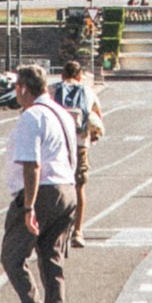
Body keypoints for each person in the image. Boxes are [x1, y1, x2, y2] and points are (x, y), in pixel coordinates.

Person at [1, 62, 78, 303]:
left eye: (16, 88)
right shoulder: (62, 114)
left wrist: (28, 207)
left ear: (23, 88)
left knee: (12, 256)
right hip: (66, 190)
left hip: (42, 192)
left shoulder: (31, 117)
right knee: (51, 261)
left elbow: (32, 166)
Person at [53, 59, 103, 250]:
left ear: (62, 75)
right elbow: (98, 116)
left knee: (54, 186)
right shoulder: (88, 92)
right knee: (79, 187)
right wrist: (94, 136)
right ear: (80, 76)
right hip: (80, 145)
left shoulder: (53, 90)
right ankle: (78, 232)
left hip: (57, 145)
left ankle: (54, 231)